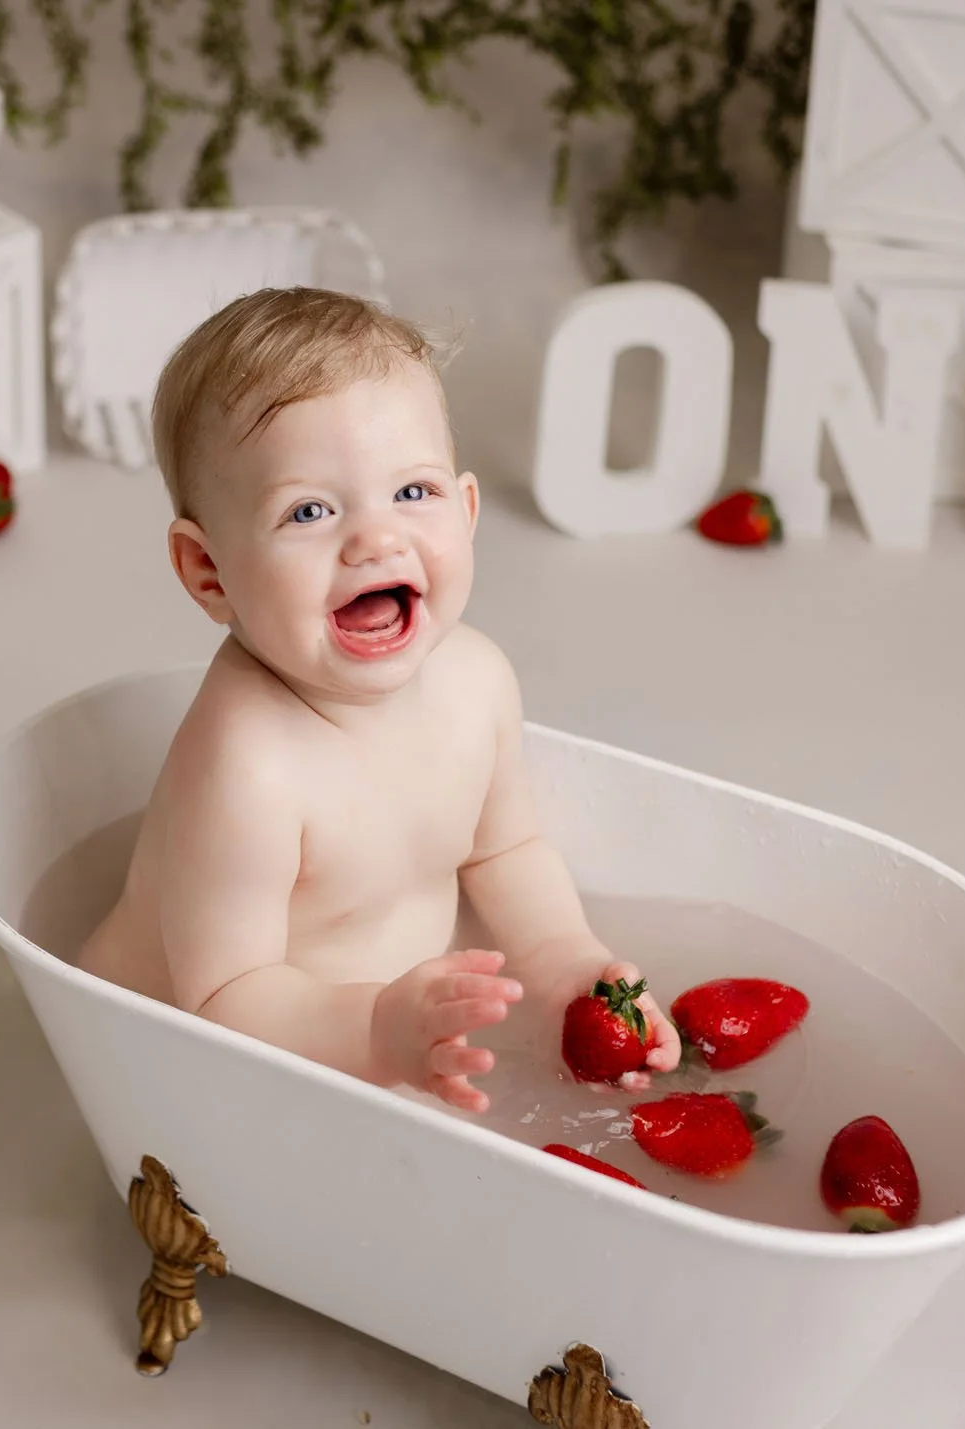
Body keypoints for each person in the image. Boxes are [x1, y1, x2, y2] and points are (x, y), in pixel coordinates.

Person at [79, 287, 680, 1112]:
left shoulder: (478, 680)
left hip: (397, 1034)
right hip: (179, 1067)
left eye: (412, 493)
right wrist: (375, 1028)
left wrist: (566, 966)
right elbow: (222, 999)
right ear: (208, 572)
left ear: (467, 512)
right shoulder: (246, 764)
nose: (376, 538)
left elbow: (502, 850)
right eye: (309, 510)